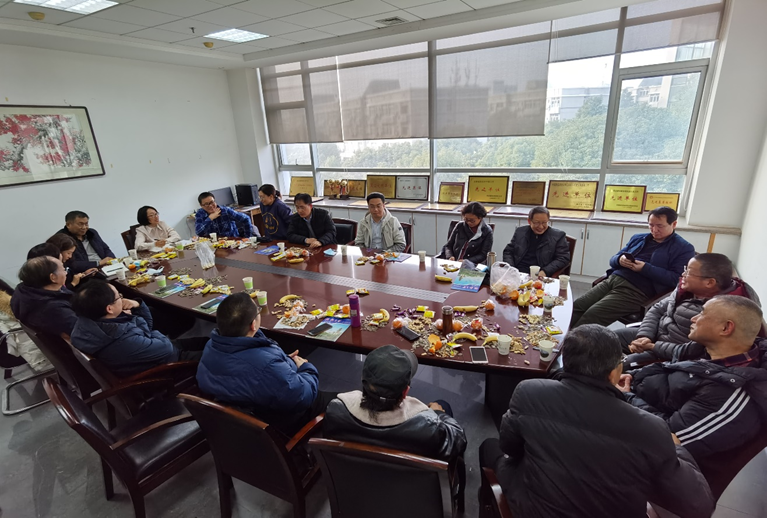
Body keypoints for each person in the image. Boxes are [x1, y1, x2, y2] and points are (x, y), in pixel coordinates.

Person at [480, 325, 713, 518]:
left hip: (534, 508)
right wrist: (677, 447)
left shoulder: (530, 391)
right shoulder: (653, 428)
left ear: (565, 361)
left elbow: (509, 446)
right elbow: (698, 505)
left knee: (489, 447)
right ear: (614, 372)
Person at [621, 296, 767, 463]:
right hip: (630, 399)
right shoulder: (706, 349)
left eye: (702, 313)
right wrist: (631, 376)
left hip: (638, 446)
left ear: (726, 328)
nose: (693, 318)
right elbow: (666, 367)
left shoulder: (731, 392)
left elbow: (670, 439)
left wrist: (625, 397)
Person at [196, 293, 337, 436]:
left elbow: (251, 370)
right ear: (253, 324)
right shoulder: (266, 365)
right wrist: (306, 368)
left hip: (238, 417)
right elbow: (303, 396)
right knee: (342, 402)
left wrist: (283, 362)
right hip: (276, 421)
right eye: (257, 310)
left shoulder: (211, 346)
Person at [324, 344, 467, 462]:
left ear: (363, 381)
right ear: (405, 392)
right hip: (408, 485)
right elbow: (458, 440)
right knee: (443, 405)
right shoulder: (430, 428)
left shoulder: (335, 410)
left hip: (355, 480)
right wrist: (438, 414)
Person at [618, 253, 760, 361]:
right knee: (608, 338)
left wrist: (653, 347)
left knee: (621, 366)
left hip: (673, 355)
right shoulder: (686, 289)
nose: (683, 275)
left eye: (689, 272)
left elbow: (698, 352)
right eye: (685, 269)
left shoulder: (726, 311)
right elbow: (658, 309)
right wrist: (644, 336)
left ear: (709, 282)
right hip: (654, 337)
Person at [572, 206, 695, 327]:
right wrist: (620, 260)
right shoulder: (639, 238)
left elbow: (675, 279)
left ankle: (572, 340)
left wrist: (645, 268)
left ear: (674, 224)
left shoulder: (683, 248)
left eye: (660, 226)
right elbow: (613, 260)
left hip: (637, 291)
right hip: (614, 279)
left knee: (592, 316)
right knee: (577, 306)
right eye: (651, 225)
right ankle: (562, 336)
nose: (654, 230)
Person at [70, 280, 208, 377]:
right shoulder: (122, 339)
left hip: (148, 354)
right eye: (118, 297)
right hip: (166, 366)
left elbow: (147, 330)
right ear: (109, 309)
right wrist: (134, 319)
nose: (122, 299)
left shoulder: (88, 323)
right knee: (218, 354)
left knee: (206, 341)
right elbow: (165, 347)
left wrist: (137, 305)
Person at [10, 256, 77, 336]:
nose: (66, 273)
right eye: (63, 270)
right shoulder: (54, 308)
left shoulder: (22, 291)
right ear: (53, 277)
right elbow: (83, 333)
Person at [502, 206, 570, 277]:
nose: (541, 227)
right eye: (537, 223)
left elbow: (563, 258)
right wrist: (511, 268)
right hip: (518, 272)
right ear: (529, 221)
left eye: (544, 223)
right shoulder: (520, 232)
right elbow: (508, 251)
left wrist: (546, 271)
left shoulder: (558, 236)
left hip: (540, 274)